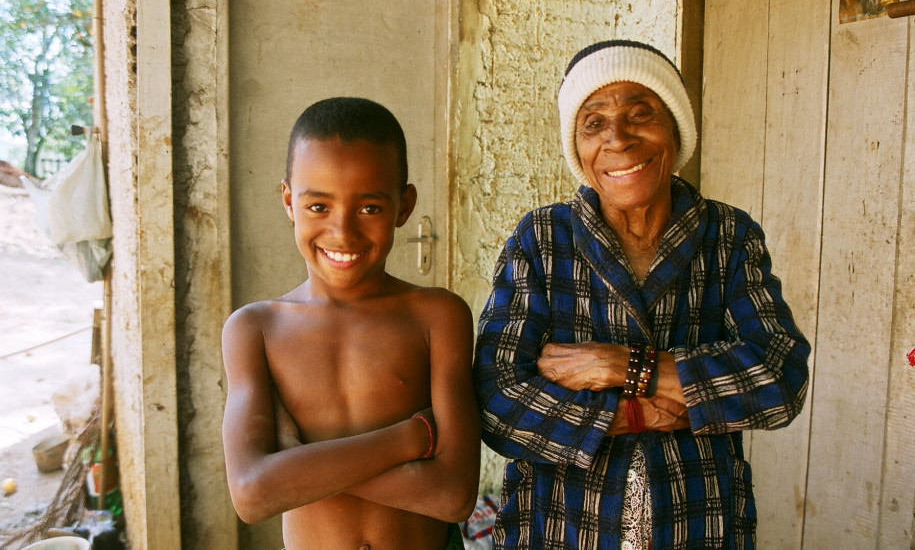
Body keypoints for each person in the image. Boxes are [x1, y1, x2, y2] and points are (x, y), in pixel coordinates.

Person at [473, 40, 810, 549]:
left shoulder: (728, 236)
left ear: (676, 130)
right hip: (560, 527)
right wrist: (632, 413)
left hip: (698, 524)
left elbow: (780, 378)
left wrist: (629, 367)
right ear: (577, 148)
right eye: (593, 123)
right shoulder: (542, 238)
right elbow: (497, 397)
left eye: (640, 113)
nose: (619, 140)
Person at [222, 97, 480, 550]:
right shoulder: (255, 330)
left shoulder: (437, 316)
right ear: (288, 201)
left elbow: (453, 496)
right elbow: (252, 494)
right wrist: (410, 439)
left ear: (404, 205)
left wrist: (297, 464)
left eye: (370, 208)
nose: (342, 232)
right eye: (318, 206)